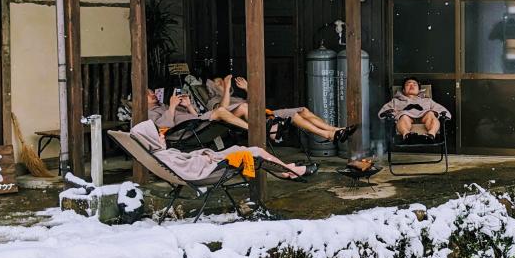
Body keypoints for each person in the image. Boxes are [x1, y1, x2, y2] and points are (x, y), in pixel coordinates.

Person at [132, 119, 315, 180]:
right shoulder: (165, 156)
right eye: (159, 135)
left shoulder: (159, 154)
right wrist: (205, 157)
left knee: (245, 149)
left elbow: (187, 163)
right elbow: (192, 169)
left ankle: (286, 170)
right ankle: (292, 170)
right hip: (214, 167)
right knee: (255, 152)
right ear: (150, 139)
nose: (163, 136)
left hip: (212, 160)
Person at [206, 75, 358, 146]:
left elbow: (256, 103)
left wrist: (247, 89)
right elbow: (223, 110)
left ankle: (337, 129)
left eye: (223, 82)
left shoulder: (237, 98)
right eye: (218, 82)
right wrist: (225, 87)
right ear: (213, 88)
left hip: (264, 113)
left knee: (303, 110)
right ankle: (328, 135)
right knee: (293, 115)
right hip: (261, 121)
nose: (223, 83)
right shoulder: (213, 101)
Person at [380, 78, 446, 138]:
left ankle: (431, 135)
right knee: (403, 116)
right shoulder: (396, 101)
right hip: (406, 117)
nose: (411, 86)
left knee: (431, 114)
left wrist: (442, 114)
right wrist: (388, 113)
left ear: (419, 90)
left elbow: (440, 109)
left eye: (414, 84)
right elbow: (386, 110)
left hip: (424, 116)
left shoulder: (427, 100)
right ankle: (407, 135)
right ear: (403, 90)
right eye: (408, 84)